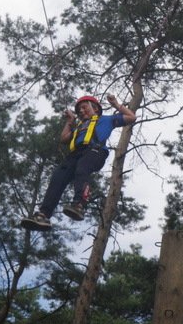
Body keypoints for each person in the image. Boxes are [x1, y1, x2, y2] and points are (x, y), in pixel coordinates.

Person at [21, 95, 136, 232]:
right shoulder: (79, 128)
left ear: (95, 108)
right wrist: (70, 121)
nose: (81, 111)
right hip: (75, 155)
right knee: (57, 180)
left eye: (84, 107)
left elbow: (131, 117)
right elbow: (63, 139)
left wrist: (116, 104)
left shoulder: (107, 120)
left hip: (95, 151)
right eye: (78, 110)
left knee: (82, 170)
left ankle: (79, 205)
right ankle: (43, 215)